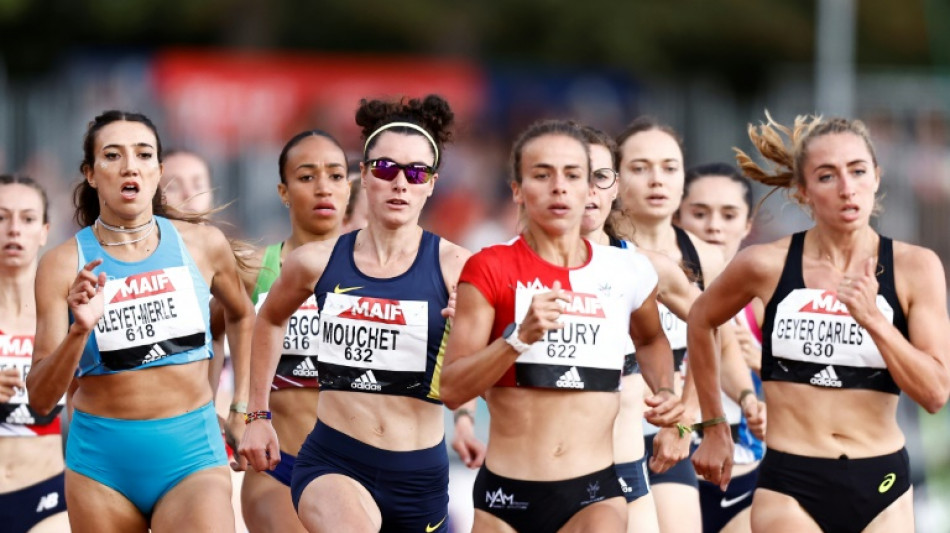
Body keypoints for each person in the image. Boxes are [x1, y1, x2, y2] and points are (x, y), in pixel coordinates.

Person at [688, 113, 950, 533]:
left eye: (858, 171)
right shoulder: (765, 264)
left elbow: (935, 393)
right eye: (827, 176)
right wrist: (714, 425)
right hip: (792, 482)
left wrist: (875, 322)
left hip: (880, 482)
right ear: (802, 191)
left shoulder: (915, 268)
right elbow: (701, 318)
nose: (848, 189)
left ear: (877, 178)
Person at [440, 119, 684, 533]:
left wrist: (666, 395)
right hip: (506, 496)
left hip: (595, 494)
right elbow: (451, 388)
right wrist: (516, 339)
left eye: (572, 174)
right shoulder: (489, 267)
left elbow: (651, 339)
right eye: (542, 174)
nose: (559, 187)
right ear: (517, 189)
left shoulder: (629, 271)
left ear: (591, 187)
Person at [240, 94, 470, 533]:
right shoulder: (315, 261)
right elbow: (268, 318)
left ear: (432, 183)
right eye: (386, 169)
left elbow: (478, 377)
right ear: (363, 176)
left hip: (419, 476)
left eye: (416, 172)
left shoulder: (460, 267)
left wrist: (471, 335)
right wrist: (256, 414)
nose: (401, 183)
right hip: (334, 460)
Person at [26, 110, 255, 532]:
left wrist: (243, 408)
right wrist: (79, 330)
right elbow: (40, 401)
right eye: (113, 156)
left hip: (192, 456)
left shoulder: (202, 245)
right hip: (101, 467)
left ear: (159, 170)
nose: (130, 166)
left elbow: (242, 315)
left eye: (144, 154)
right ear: (91, 175)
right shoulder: (61, 266)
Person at [613, 117, 726, 533]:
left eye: (669, 167)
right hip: (602, 430)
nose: (657, 180)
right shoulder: (595, 248)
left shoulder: (706, 257)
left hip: (671, 429)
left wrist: (686, 421)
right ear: (613, 177)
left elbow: (712, 337)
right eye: (640, 168)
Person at [239, 129, 350, 533]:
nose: (324, 187)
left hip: (360, 466)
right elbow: (205, 341)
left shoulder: (382, 272)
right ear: (283, 191)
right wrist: (231, 412)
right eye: (307, 177)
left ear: (350, 187)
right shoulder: (256, 269)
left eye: (336, 176)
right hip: (278, 463)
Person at [677, 163, 766, 533]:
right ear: (678, 216)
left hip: (743, 477)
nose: (714, 226)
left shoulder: (763, 300)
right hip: (668, 473)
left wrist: (762, 365)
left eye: (728, 215)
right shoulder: (653, 291)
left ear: (747, 225)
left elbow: (815, 394)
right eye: (700, 213)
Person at [0, 175, 70, 533]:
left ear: (44, 231)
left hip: (47, 496)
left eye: (27, 219)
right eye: (1, 217)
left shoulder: (67, 315)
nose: (13, 229)